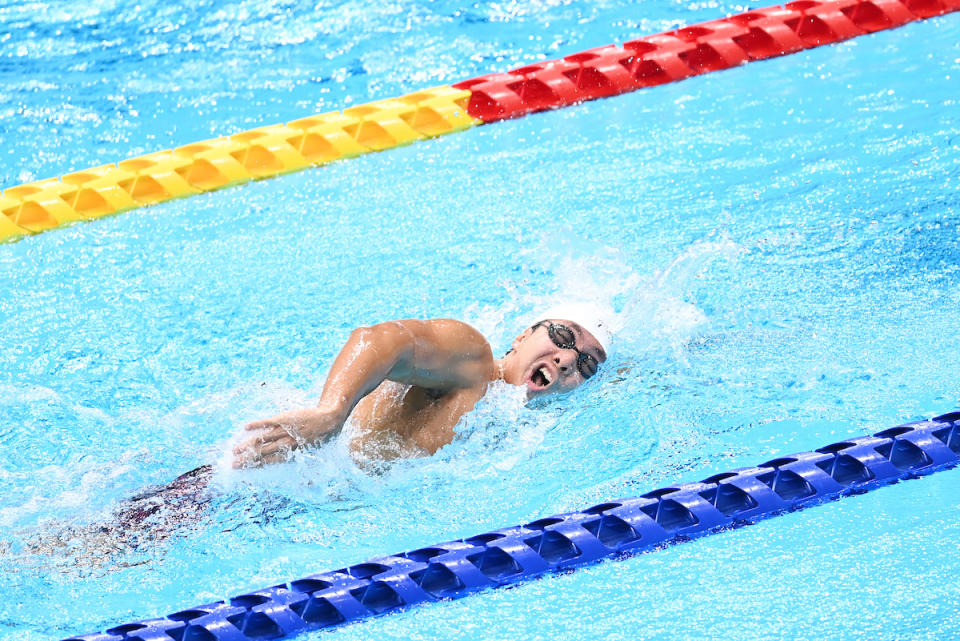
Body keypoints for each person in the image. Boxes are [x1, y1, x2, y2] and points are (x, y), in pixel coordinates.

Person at [233, 304, 612, 467]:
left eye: (586, 363)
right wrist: (331, 411)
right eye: (563, 336)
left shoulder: (513, 421)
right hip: (274, 465)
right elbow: (382, 339)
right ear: (522, 335)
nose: (566, 359)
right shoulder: (472, 362)